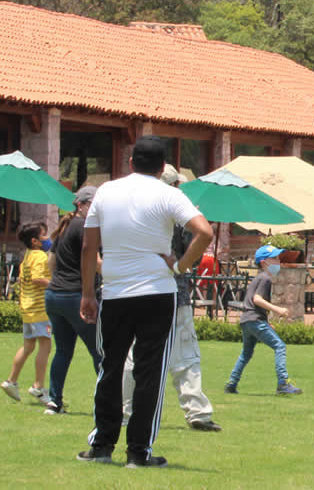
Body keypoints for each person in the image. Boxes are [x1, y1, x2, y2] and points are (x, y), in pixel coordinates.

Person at [77, 136, 213, 467]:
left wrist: (86, 293)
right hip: (157, 292)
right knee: (150, 372)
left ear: (130, 163)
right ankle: (138, 452)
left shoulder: (106, 191)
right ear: (163, 167)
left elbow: (88, 247)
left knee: (109, 367)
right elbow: (204, 233)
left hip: (116, 292)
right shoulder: (170, 194)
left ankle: (102, 446)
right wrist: (180, 266)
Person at [121, 165, 222, 432]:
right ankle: (196, 410)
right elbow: (198, 250)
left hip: (136, 291)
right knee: (186, 355)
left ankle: (126, 410)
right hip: (173, 293)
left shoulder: (133, 210)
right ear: (175, 185)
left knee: (135, 354)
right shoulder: (179, 211)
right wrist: (179, 266)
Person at [43, 186, 101, 415]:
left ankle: (54, 401)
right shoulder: (85, 227)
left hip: (54, 295)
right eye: (93, 205)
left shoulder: (66, 226)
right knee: (99, 352)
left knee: (63, 351)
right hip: (76, 296)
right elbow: (95, 261)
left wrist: (57, 280)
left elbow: (51, 260)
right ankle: (110, 401)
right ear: (81, 205)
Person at [224, 245, 302, 395]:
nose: (278, 262)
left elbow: (252, 302)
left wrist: (266, 322)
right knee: (280, 346)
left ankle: (231, 383)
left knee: (246, 353)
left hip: (247, 320)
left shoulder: (259, 278)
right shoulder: (265, 278)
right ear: (264, 262)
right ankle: (283, 384)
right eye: (275, 258)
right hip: (254, 319)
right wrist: (277, 309)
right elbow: (257, 300)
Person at [0, 222, 53, 404]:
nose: (47, 239)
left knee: (28, 346)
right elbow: (38, 278)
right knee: (45, 346)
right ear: (35, 241)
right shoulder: (39, 256)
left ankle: (11, 381)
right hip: (40, 310)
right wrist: (56, 283)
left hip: (28, 308)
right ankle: (38, 387)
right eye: (44, 235)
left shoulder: (28, 256)